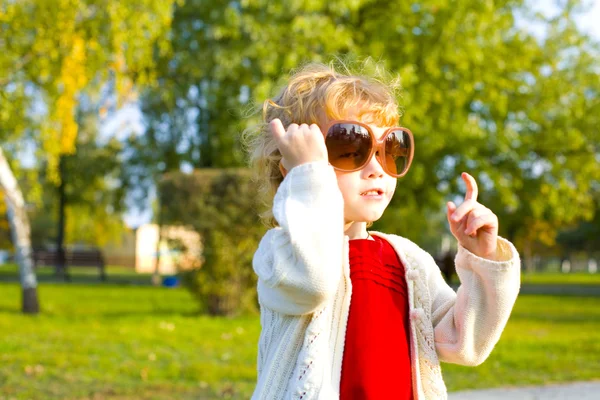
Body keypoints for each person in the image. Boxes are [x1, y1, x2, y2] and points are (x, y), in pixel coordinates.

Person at [243, 60, 521, 400]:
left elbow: (467, 343)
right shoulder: (282, 251)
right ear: (296, 171)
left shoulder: (407, 261)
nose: (376, 169)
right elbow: (313, 284)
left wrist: (486, 260)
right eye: (350, 150)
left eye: (390, 150)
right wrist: (309, 176)